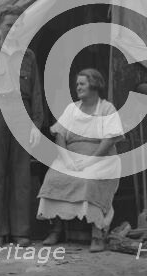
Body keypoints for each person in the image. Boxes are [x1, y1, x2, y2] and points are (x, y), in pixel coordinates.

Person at [0, 6, 44, 246]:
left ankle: (21, 232)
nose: (12, 28)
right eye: (8, 24)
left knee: (21, 174)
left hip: (22, 112)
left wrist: (36, 124)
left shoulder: (29, 56)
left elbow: (36, 92)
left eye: (17, 24)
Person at [37, 68, 124, 252]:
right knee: (54, 178)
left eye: (82, 84)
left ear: (94, 85)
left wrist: (90, 161)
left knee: (89, 180)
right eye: (77, 84)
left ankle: (97, 232)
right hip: (72, 155)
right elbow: (60, 134)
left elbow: (109, 140)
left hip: (101, 157)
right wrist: (67, 159)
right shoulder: (72, 109)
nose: (78, 87)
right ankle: (56, 228)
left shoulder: (107, 108)